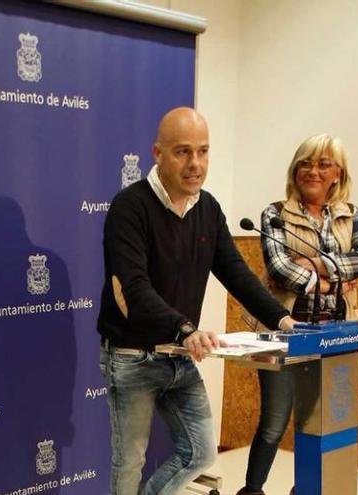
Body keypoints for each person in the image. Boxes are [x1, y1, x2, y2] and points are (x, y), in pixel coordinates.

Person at [97, 107, 296, 495]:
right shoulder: (129, 207)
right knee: (129, 463)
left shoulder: (208, 208)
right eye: (183, 152)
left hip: (179, 353)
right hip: (133, 355)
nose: (196, 164)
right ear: (158, 153)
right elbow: (134, 288)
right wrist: (185, 329)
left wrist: (282, 319)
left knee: (201, 453)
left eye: (203, 152)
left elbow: (235, 271)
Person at [237, 134, 358, 495]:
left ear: (338, 173)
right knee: (275, 421)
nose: (312, 171)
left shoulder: (351, 215)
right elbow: (281, 270)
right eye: (305, 163)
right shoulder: (275, 213)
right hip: (283, 331)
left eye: (323, 164)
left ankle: (309, 489)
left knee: (323, 424)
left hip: (337, 332)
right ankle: (252, 490)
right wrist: (330, 282)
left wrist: (312, 262)